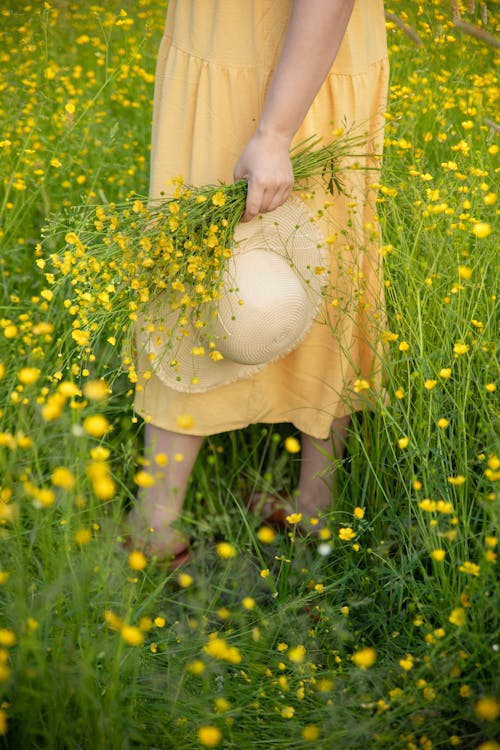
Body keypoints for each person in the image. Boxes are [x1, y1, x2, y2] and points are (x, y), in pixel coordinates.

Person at [130, 0, 389, 563]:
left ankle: (157, 525)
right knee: (291, 268)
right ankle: (310, 505)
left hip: (285, 71)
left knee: (288, 272)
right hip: (238, 54)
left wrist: (274, 134)